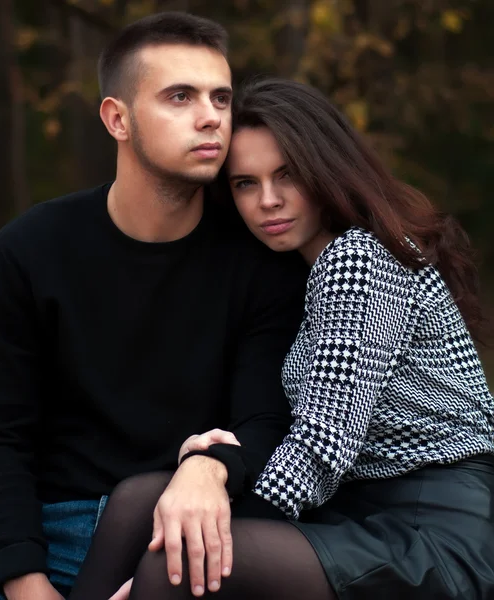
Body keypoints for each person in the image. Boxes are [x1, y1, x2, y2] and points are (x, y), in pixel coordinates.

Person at [0, 17, 309, 600]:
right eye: (180, 96)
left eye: (221, 97)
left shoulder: (261, 261)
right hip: (48, 533)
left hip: (186, 531)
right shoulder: (30, 249)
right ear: (118, 118)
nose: (212, 115)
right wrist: (24, 580)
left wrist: (209, 468)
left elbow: (266, 423)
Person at [67, 78, 494, 600]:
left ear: (324, 167)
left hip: (430, 525)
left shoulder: (355, 259)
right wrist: (210, 468)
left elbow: (323, 444)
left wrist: (206, 527)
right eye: (245, 183)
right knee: (141, 501)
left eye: (286, 175)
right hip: (354, 509)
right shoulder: (302, 269)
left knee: (180, 559)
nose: (268, 201)